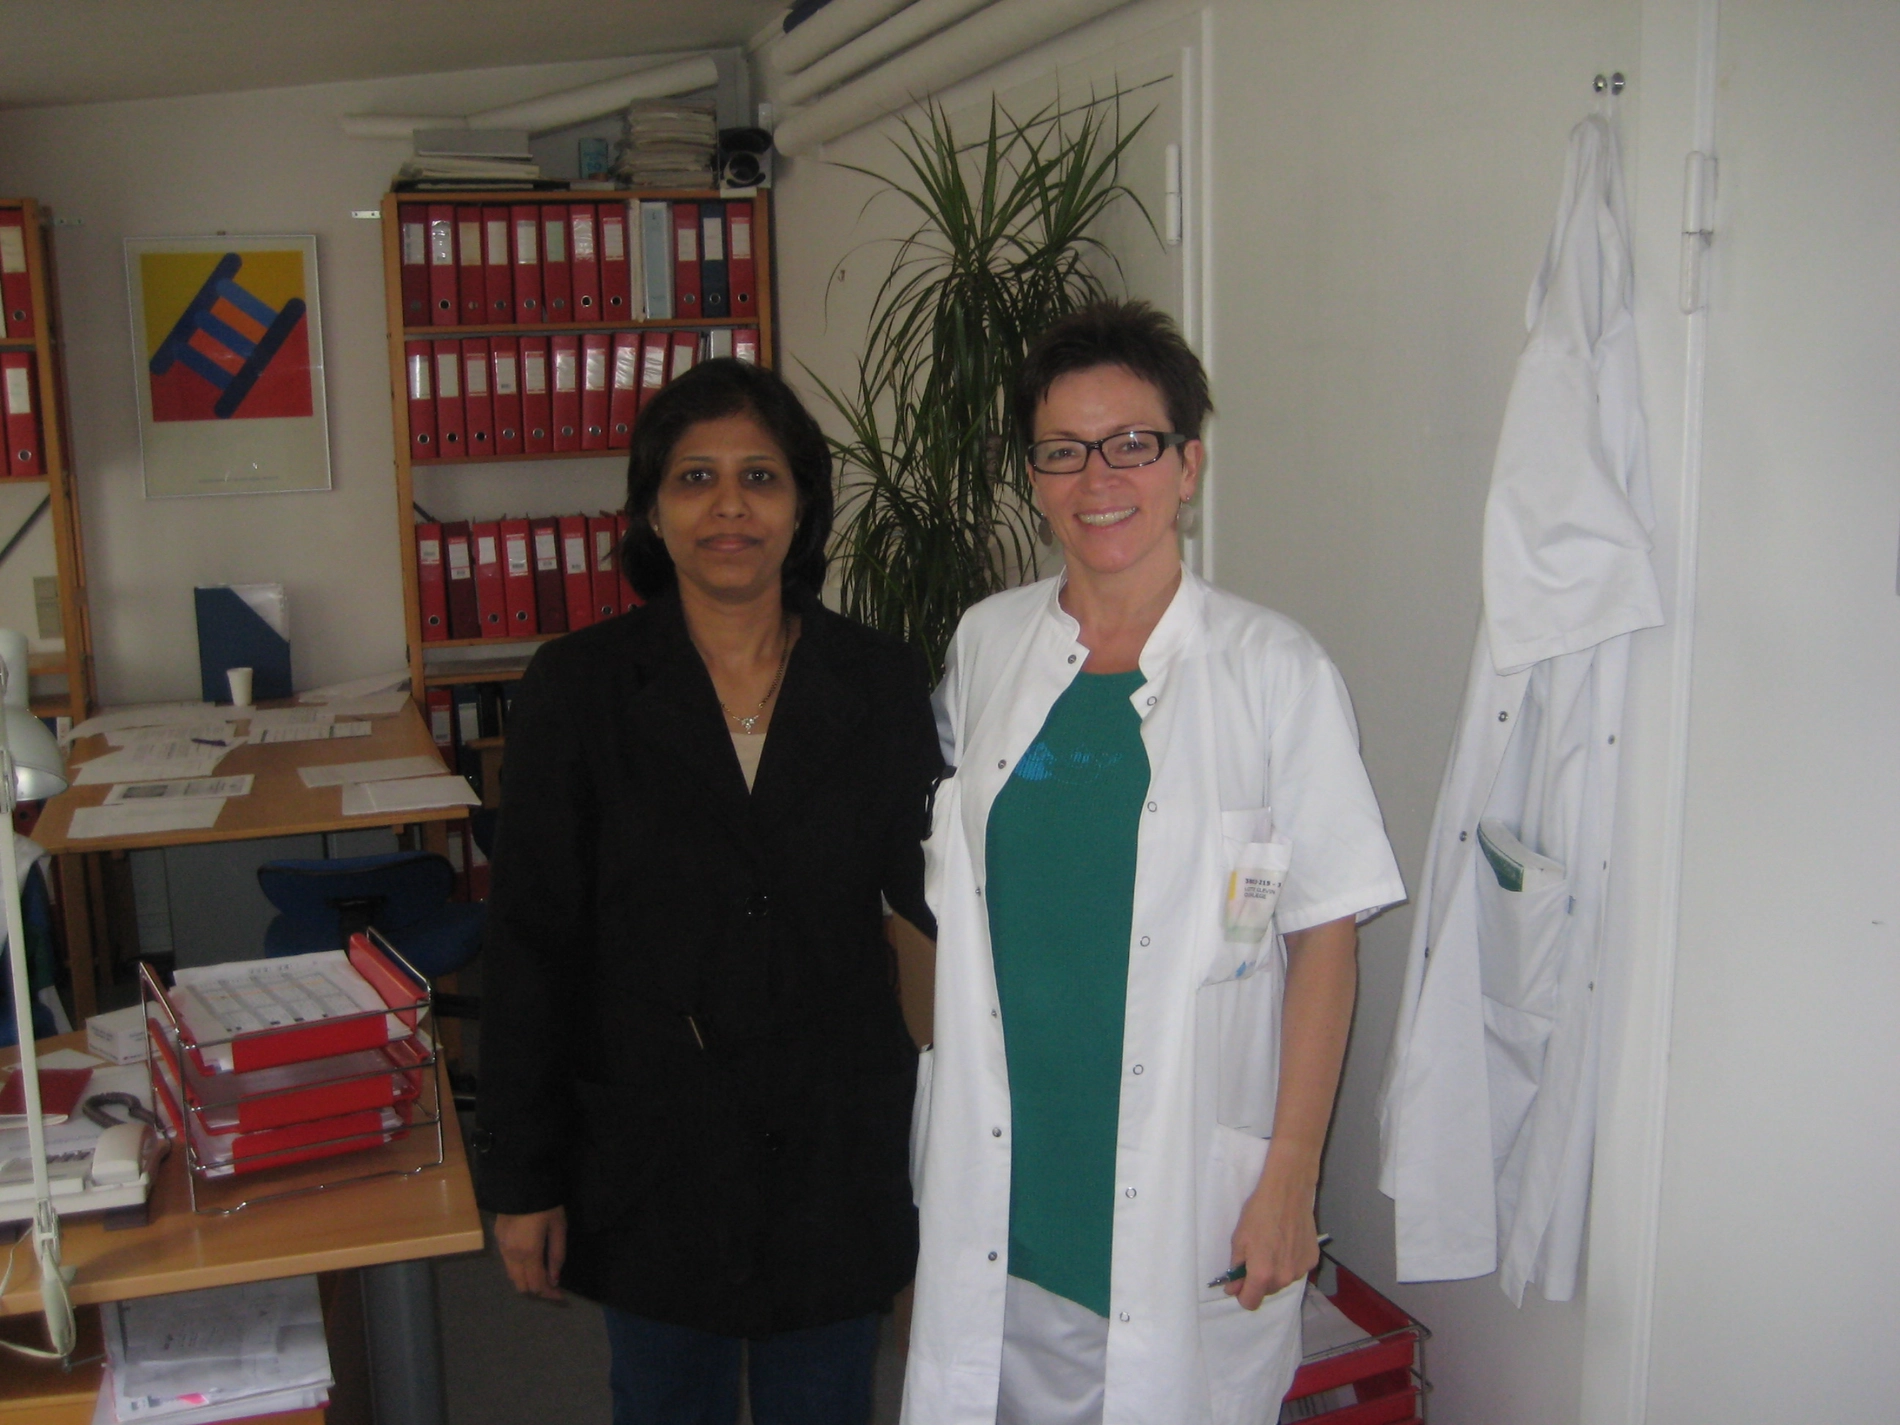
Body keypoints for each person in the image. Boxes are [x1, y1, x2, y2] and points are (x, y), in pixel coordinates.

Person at [903, 303, 1406, 1425]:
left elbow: (1323, 935)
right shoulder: (986, 643)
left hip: (1184, 1179)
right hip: (1007, 1176)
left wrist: (1290, 1176)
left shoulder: (1274, 669)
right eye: (1062, 450)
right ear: (1032, 476)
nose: (1099, 479)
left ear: (1188, 464)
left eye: (1132, 443)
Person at [475, 357, 942, 1425]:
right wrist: (522, 1179)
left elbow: (934, 899)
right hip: (654, 1151)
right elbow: (531, 947)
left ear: (802, 506)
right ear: (651, 510)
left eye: (759, 477)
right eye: (695, 478)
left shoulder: (878, 681)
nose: (729, 506)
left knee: (826, 1406)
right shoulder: (577, 689)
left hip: (830, 1151)